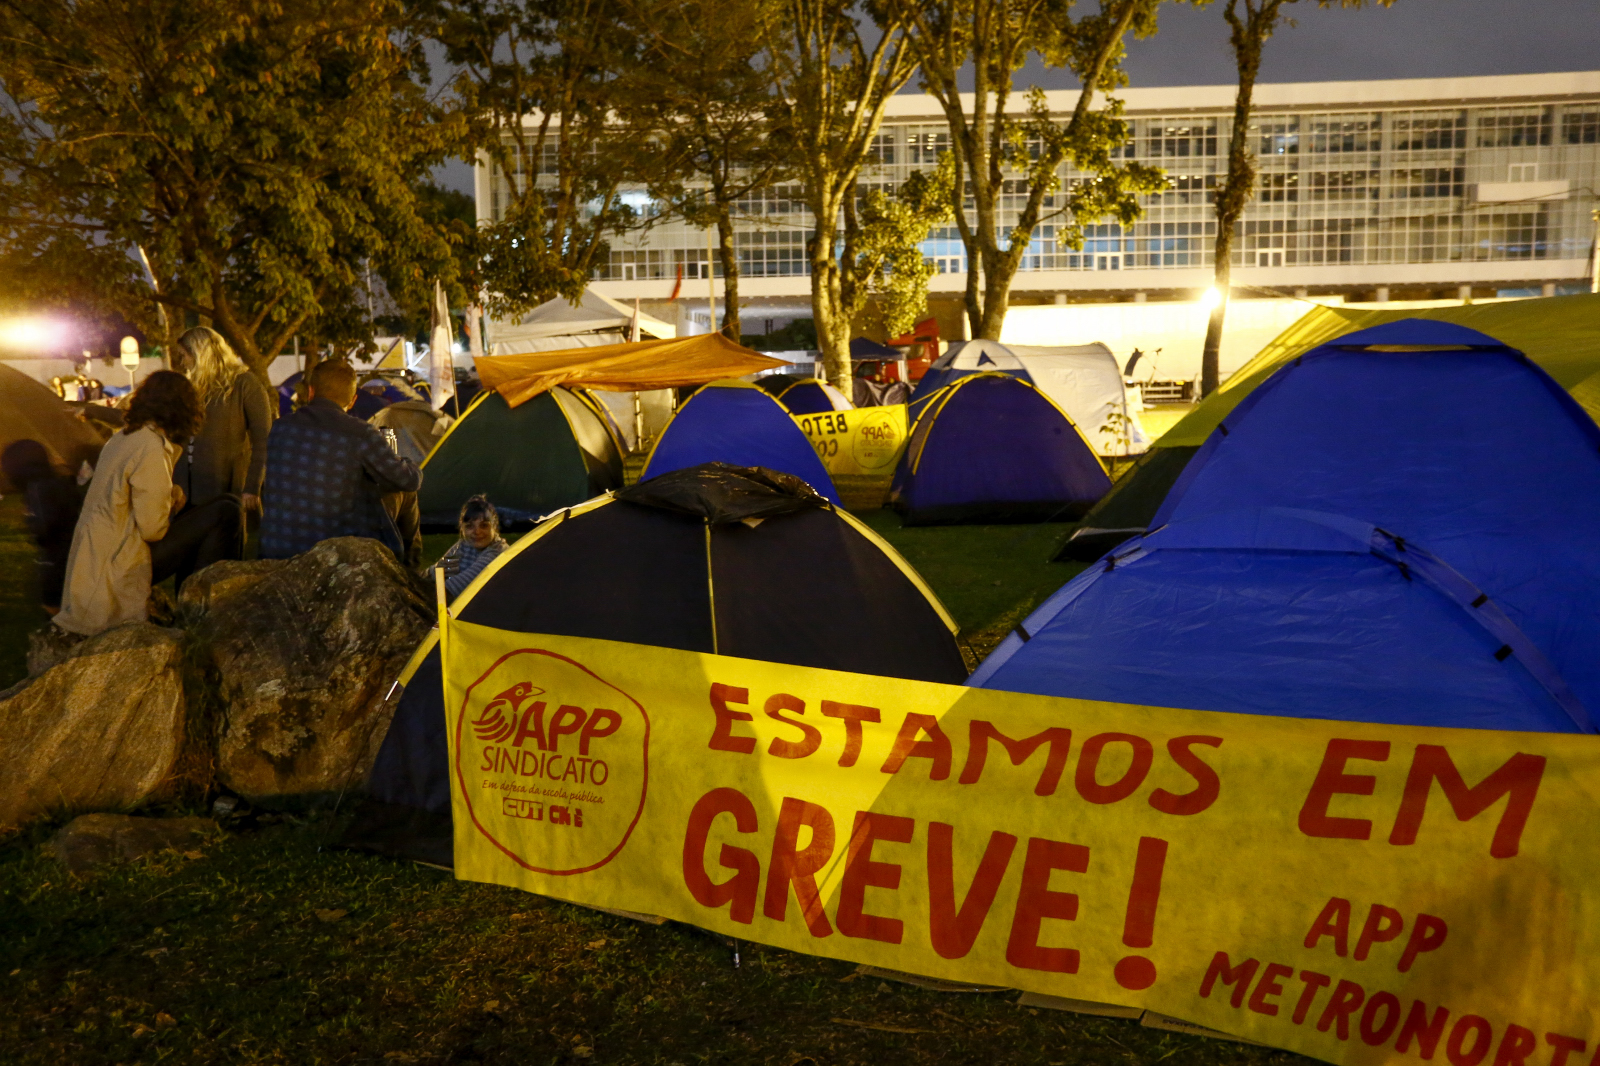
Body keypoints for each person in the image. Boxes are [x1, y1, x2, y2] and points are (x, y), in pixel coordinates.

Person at [54, 371, 205, 635]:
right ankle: (205, 610)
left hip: (100, 553)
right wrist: (171, 502)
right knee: (224, 512)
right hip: (120, 558)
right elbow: (152, 528)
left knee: (222, 507)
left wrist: (169, 493)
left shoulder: (125, 437)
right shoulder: (150, 447)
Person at [259, 360, 422, 560]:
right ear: (352, 400)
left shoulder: (279, 428)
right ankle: (408, 569)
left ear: (311, 392)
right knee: (406, 493)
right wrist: (407, 463)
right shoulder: (359, 432)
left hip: (277, 546)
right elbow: (409, 480)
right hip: (335, 547)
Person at [170, 326, 272, 536]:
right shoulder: (189, 387)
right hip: (184, 494)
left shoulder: (245, 384)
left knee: (221, 556)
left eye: (184, 356)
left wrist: (252, 486)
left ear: (200, 353)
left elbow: (263, 440)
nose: (182, 363)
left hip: (223, 490)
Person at [2, 439, 82, 614]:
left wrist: (32, 524)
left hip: (56, 564)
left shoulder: (38, 490)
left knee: (57, 619)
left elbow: (44, 528)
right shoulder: (59, 483)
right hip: (74, 561)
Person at [428, 495, 508, 602]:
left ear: (494, 527)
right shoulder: (464, 545)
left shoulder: (498, 552)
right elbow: (431, 573)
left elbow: (450, 590)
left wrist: (437, 576)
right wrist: (436, 572)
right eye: (470, 526)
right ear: (462, 529)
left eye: (484, 526)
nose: (477, 532)